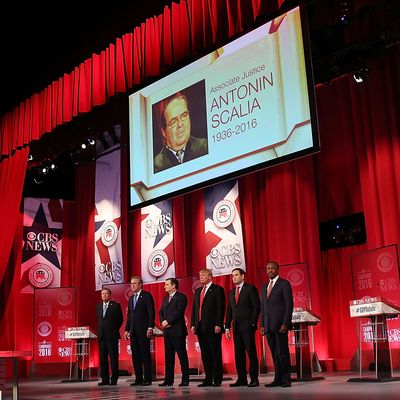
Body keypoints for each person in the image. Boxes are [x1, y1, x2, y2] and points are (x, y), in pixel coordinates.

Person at [154, 91, 208, 173]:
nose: (180, 124)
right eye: (173, 121)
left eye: (184, 116)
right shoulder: (156, 166)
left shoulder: (205, 147)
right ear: (163, 132)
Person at [260, 261, 294, 388]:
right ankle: (277, 379)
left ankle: (286, 379)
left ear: (277, 270)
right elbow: (263, 308)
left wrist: (285, 323)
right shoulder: (264, 287)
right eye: (268, 268)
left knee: (283, 353)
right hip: (268, 326)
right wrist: (263, 325)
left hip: (280, 325)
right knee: (275, 354)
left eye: (272, 268)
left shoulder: (284, 284)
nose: (270, 270)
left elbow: (289, 305)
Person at [225, 268, 260, 387]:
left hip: (247, 326)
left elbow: (256, 306)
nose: (233, 277)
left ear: (243, 276)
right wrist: (226, 327)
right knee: (238, 353)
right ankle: (241, 378)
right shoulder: (231, 292)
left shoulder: (250, 289)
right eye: (232, 275)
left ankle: (254, 379)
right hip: (236, 327)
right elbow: (229, 310)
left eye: (236, 275)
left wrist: (253, 322)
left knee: (251, 353)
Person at [190, 269, 225, 387]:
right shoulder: (198, 291)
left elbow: (220, 308)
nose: (200, 277)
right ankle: (208, 378)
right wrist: (193, 324)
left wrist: (219, 324)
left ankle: (217, 378)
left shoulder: (217, 289)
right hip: (201, 327)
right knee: (205, 354)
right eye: (199, 275)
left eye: (203, 275)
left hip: (213, 327)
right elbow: (195, 309)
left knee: (215, 353)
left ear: (210, 277)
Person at [124, 276, 155, 386]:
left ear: (140, 284)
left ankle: (147, 379)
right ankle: (138, 378)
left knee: (145, 355)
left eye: (135, 283)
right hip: (133, 332)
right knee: (135, 356)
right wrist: (127, 329)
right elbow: (130, 316)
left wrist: (150, 327)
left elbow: (151, 312)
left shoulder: (146, 296)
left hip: (144, 330)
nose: (132, 285)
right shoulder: (131, 298)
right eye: (131, 283)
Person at [158, 278, 190, 387]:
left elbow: (179, 312)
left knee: (182, 356)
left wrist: (169, 321)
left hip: (177, 331)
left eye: (167, 284)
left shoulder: (181, 297)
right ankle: (168, 380)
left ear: (174, 285)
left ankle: (185, 379)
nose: (165, 286)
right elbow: (161, 312)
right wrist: (162, 321)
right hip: (167, 332)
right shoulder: (165, 298)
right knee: (169, 357)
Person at [96, 287, 123, 386]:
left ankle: (114, 379)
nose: (104, 295)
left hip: (112, 336)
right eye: (103, 294)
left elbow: (120, 320)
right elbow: (99, 320)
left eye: (106, 294)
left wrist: (114, 330)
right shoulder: (98, 306)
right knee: (103, 359)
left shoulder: (115, 306)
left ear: (110, 295)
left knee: (113, 359)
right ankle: (105, 379)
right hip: (101, 337)